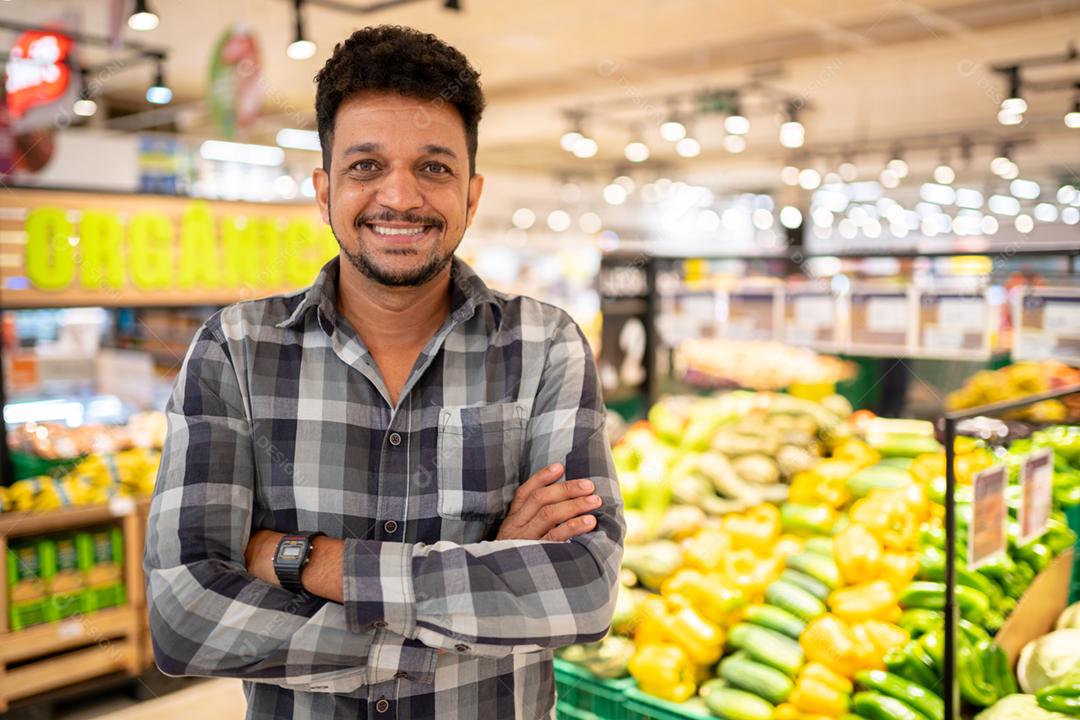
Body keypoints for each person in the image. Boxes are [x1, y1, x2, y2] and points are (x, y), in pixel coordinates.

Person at [143, 25, 624, 720]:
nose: (399, 197)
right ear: (324, 190)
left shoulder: (544, 346)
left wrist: (303, 560)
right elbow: (185, 616)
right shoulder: (237, 350)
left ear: (472, 194)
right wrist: (484, 579)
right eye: (366, 165)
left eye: (434, 168)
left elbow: (582, 589)